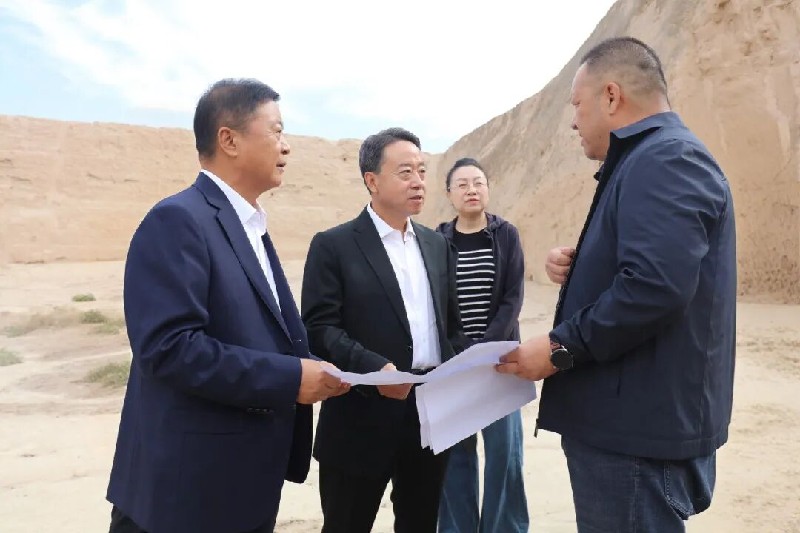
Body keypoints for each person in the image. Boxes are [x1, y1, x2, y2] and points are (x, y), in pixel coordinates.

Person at [497, 37, 737, 532]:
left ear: (611, 96)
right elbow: (656, 268)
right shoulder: (650, 158)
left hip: (635, 437)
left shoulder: (666, 158)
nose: (573, 121)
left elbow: (654, 287)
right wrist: (586, 265)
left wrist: (559, 348)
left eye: (576, 104)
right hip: (631, 425)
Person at [106, 78, 349, 533]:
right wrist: (290, 378)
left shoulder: (250, 226)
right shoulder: (179, 219)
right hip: (186, 493)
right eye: (276, 131)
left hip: (243, 484)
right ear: (229, 140)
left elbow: (256, 333)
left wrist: (322, 367)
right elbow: (169, 349)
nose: (286, 146)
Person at [301, 127, 471, 533]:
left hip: (428, 414)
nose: (418, 181)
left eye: (422, 171)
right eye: (405, 172)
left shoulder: (436, 245)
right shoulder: (334, 245)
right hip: (360, 417)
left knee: (420, 524)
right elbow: (320, 328)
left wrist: (464, 369)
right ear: (372, 180)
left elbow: (451, 326)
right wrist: (376, 370)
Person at [435, 158, 529, 533]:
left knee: (505, 457)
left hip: (501, 364)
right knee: (454, 459)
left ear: (488, 190)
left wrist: (487, 349)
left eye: (478, 182)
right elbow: (437, 302)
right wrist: (462, 352)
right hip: (453, 367)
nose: (471, 190)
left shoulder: (506, 235)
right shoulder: (436, 240)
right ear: (449, 194)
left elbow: (513, 297)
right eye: (462, 184)